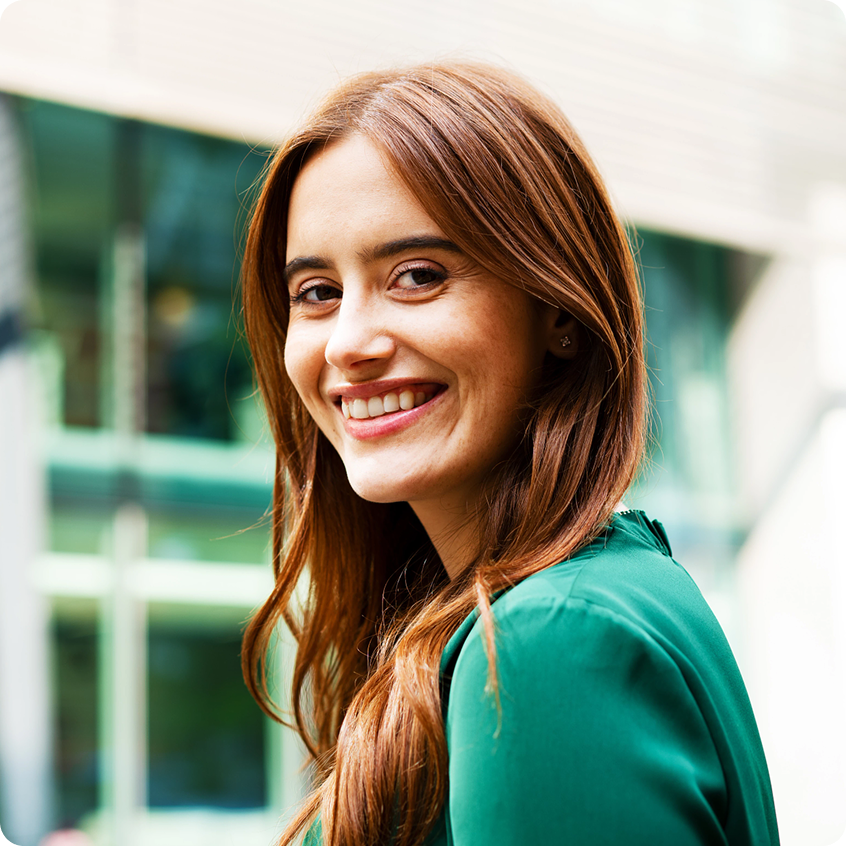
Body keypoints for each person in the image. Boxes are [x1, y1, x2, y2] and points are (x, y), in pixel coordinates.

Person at [240, 62, 779, 846]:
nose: (350, 343)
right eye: (317, 292)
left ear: (559, 310)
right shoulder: (572, 598)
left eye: (417, 276)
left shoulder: (549, 642)